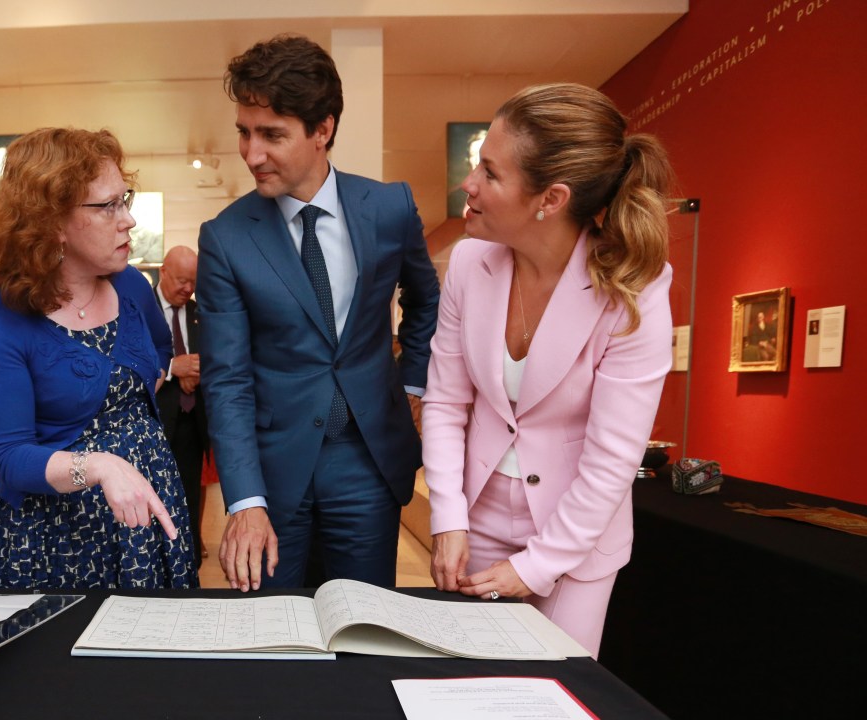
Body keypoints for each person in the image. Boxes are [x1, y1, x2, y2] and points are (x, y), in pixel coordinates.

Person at [421, 83, 674, 657]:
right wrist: (448, 517)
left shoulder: (634, 289)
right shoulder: (467, 263)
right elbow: (444, 402)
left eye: (490, 172)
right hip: (477, 521)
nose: (470, 184)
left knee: (551, 694)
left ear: (550, 199)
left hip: (575, 542)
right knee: (468, 688)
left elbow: (613, 460)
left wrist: (538, 566)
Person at [197, 35, 440, 591]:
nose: (252, 153)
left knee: (365, 626)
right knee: (277, 636)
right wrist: (245, 500)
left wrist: (415, 382)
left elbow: (425, 301)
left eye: (272, 135)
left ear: (322, 130)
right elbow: (227, 379)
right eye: (244, 132)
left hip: (368, 460)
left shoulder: (389, 208)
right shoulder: (226, 238)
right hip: (273, 468)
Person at [0, 127, 197, 590]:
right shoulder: (1, 316)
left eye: (124, 199)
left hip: (145, 509)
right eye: (107, 206)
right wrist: (100, 463)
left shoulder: (131, 285)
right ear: (50, 220)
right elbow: (10, 457)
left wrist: (129, 425)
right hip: (60, 534)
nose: (128, 219)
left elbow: (159, 351)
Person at [153, 246, 209, 566]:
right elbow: (134, 362)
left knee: (188, 498)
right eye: (180, 281)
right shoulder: (141, 309)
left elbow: (214, 356)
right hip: (156, 424)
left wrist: (198, 370)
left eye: (193, 282)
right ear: (163, 272)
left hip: (192, 425)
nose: (187, 289)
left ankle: (187, 566)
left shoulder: (199, 313)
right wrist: (175, 368)